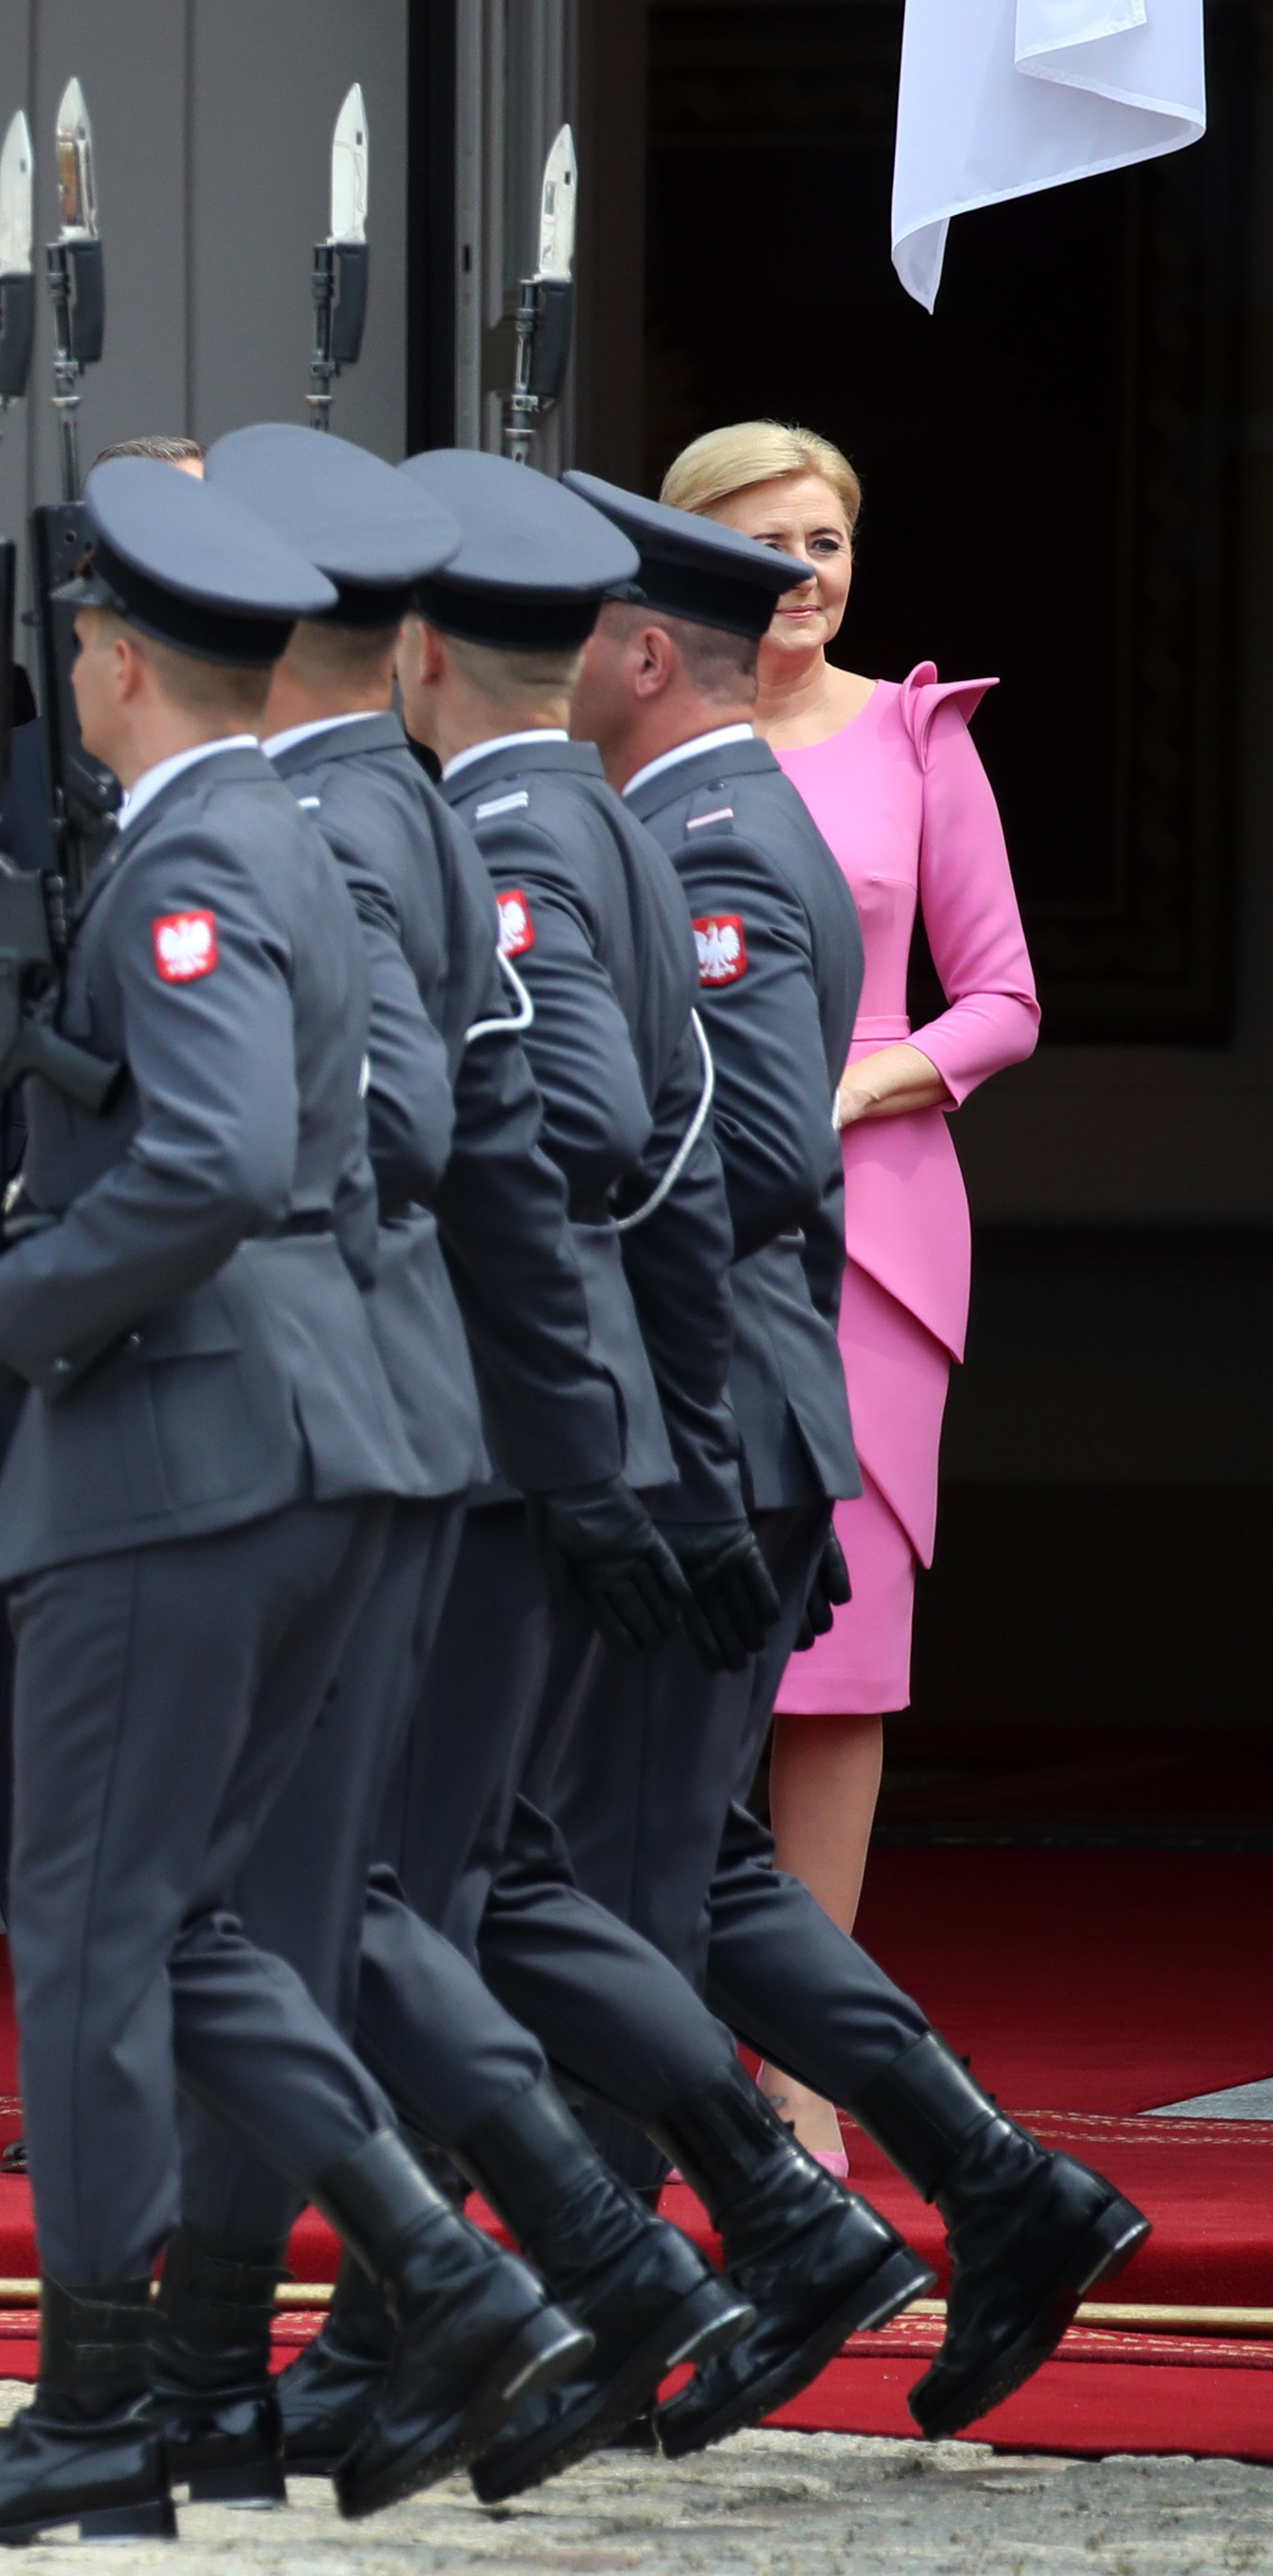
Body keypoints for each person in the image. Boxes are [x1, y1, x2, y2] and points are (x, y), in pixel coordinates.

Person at [0, 460, 584, 2545]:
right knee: (178, 1924)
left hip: (186, 1448)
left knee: (88, 1933)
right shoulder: (289, 825)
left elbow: (199, 1167)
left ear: (105, 664)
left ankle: (99, 2410)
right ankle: (444, 2276)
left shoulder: (199, 858)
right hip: (303, 1434)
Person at [130, 425, 739, 2508]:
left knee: (310, 1900)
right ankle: (404, 2317)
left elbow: (507, 1142)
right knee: (359, 1901)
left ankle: (540, 2273)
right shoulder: (403, 806)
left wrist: (598, 1455)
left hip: (381, 1434)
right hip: (450, 1429)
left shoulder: (351, 820)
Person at [553, 471, 1141, 2446]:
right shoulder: (676, 809)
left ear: (638, 649)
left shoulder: (709, 830)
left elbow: (711, 1173)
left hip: (696, 1414)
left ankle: (689, 2259)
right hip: (695, 1408)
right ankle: (992, 2185)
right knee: (671, 1860)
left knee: (599, 1861)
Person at [665, 421, 1037, 2172]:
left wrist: (853, 1076)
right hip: (664, 1223)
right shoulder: (630, 733)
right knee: (658, 1645)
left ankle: (799, 2084)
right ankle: (642, 2056)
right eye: (764, 544)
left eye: (827, 541)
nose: (803, 572)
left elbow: (1004, 998)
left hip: (875, 1237)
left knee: (839, 1669)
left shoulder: (915, 733)